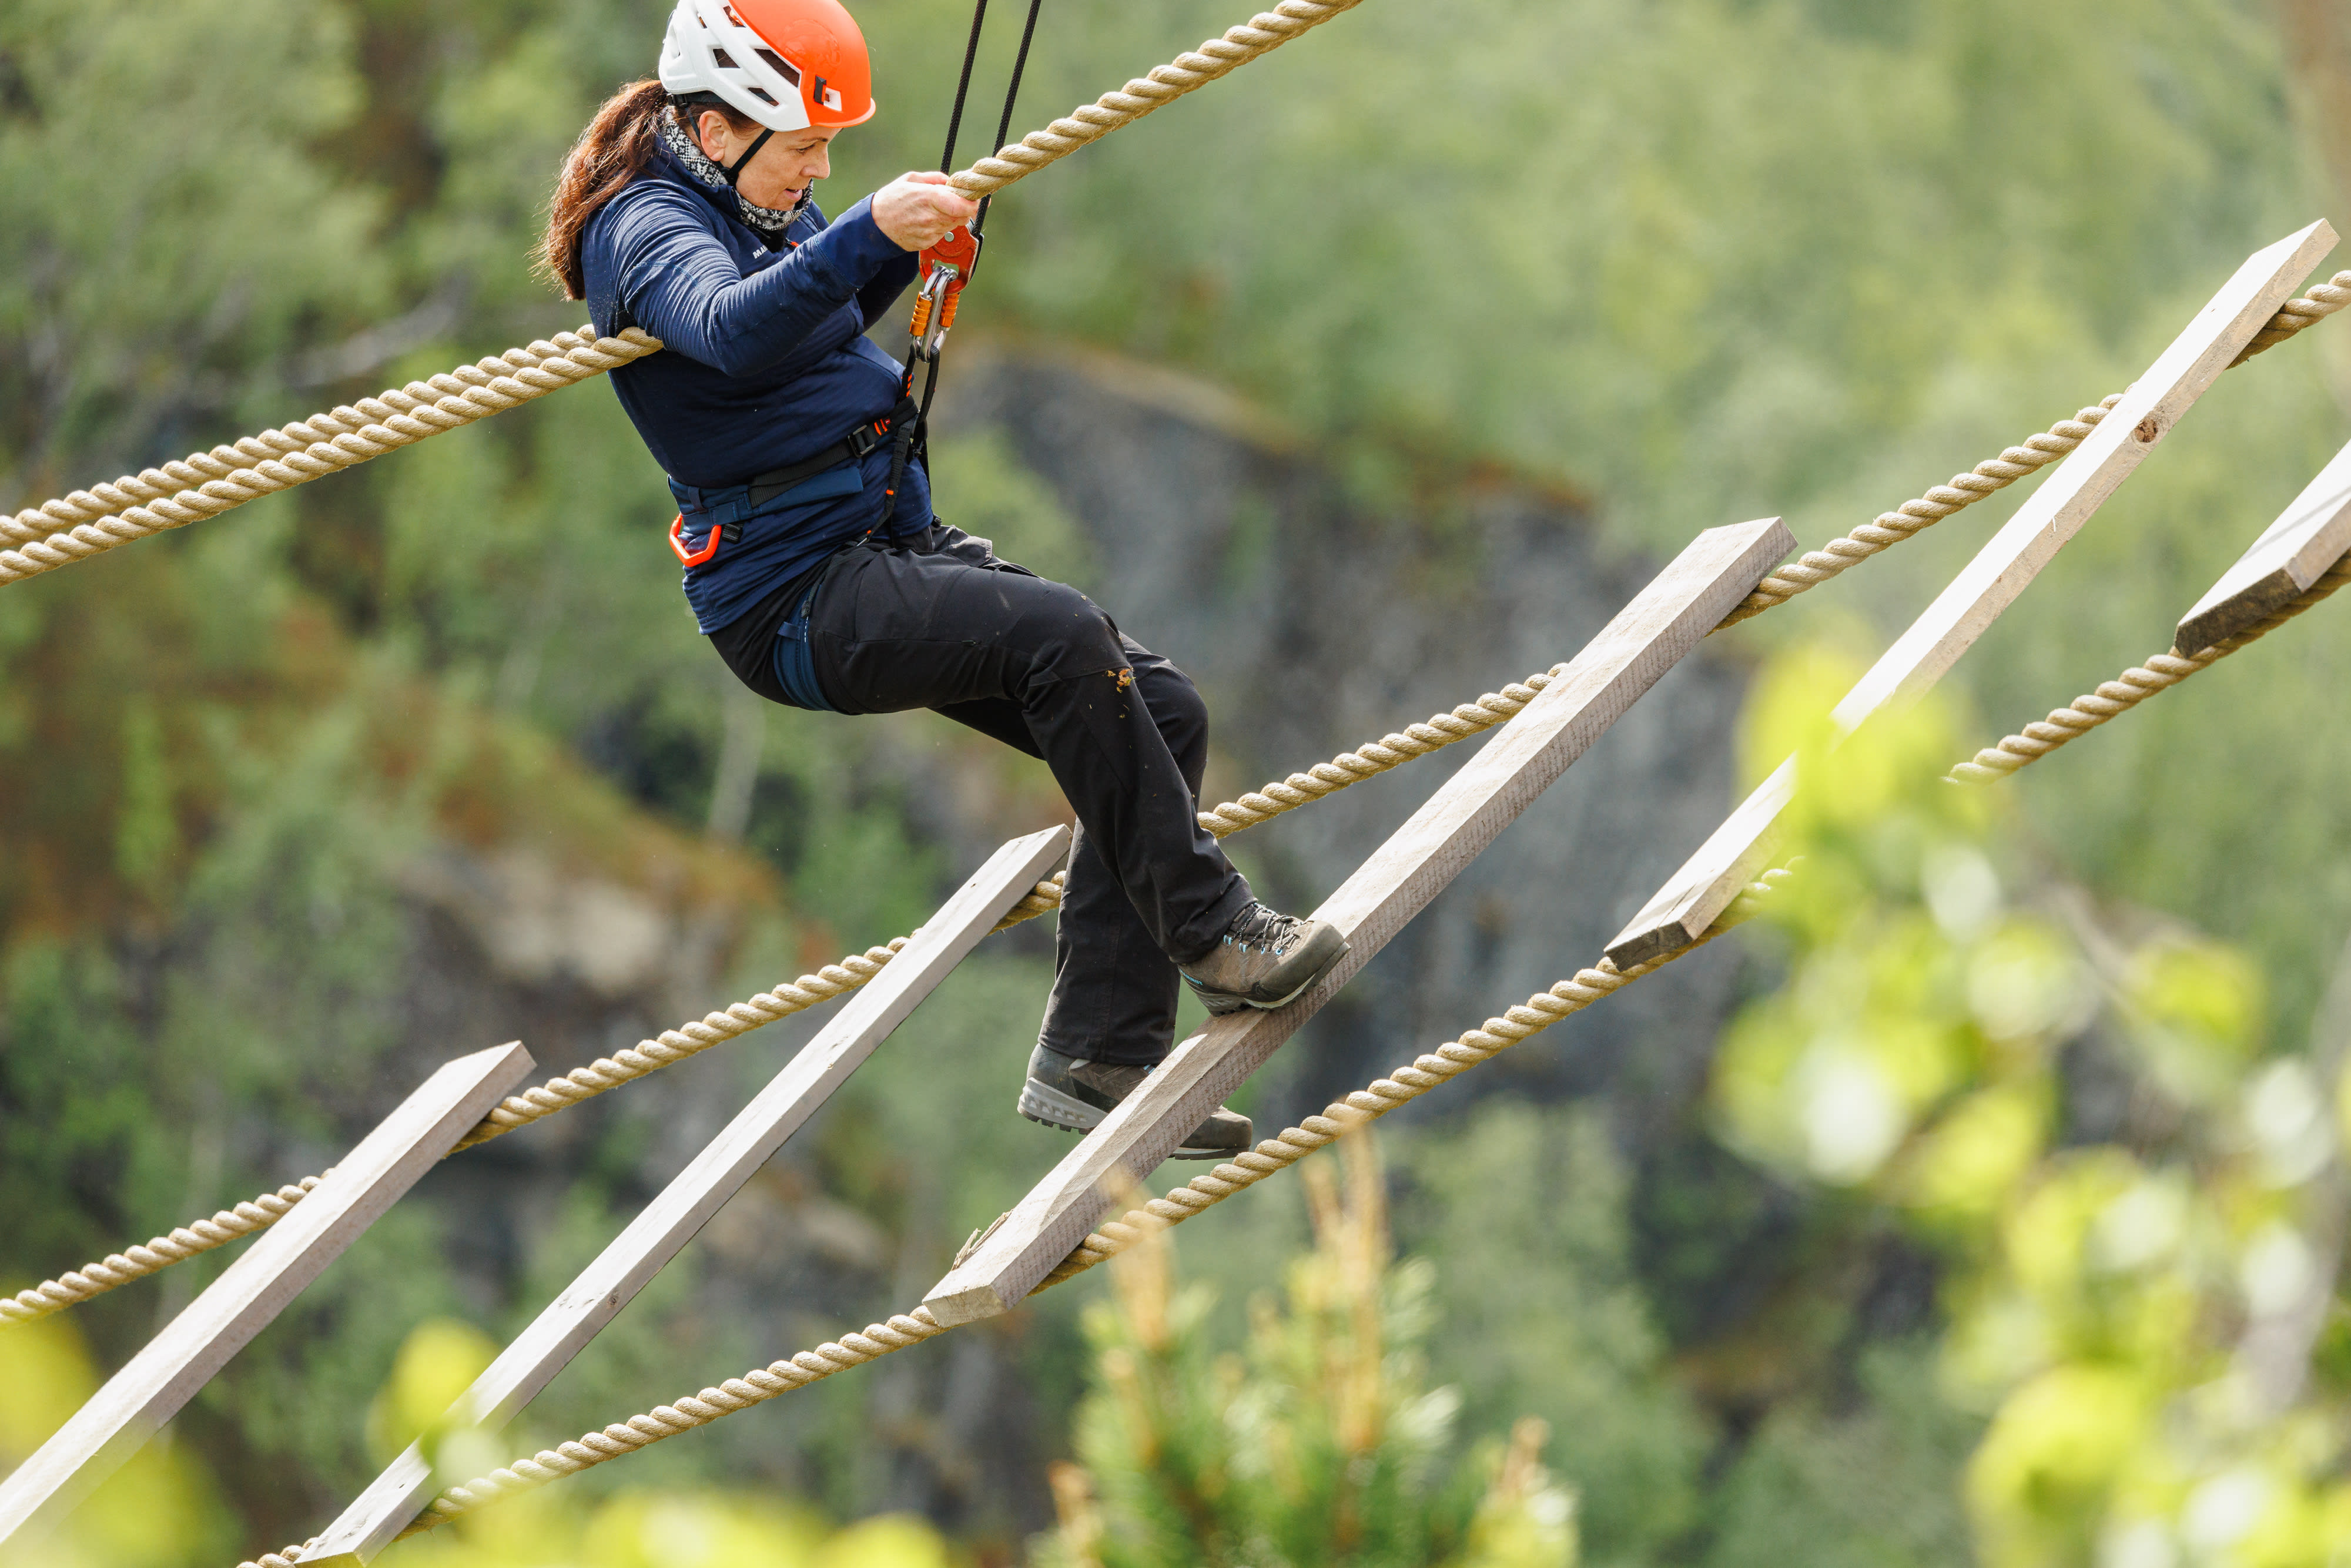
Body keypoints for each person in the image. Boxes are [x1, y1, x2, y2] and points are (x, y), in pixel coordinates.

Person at [541, 0, 1347, 1158]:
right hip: (796, 596)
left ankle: (1099, 1054)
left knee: (1158, 707)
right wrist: (870, 230)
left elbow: (801, 324)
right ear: (715, 130)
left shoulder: (747, 195)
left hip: (876, 543)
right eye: (802, 150)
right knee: (1063, 637)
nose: (818, 172)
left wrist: (888, 251)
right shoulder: (647, 227)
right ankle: (1220, 933)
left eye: (828, 154)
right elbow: (728, 331)